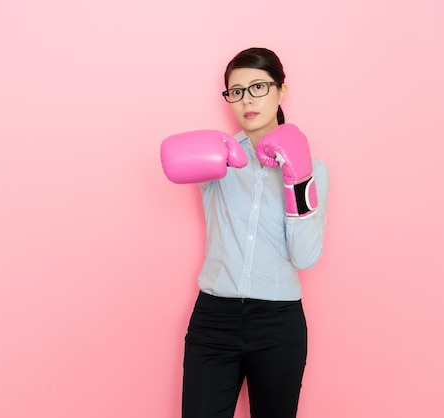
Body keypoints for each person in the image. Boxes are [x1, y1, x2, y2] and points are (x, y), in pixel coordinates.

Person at [160, 47, 329, 418]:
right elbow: (172, 157)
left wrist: (296, 178)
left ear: (281, 91)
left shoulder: (313, 167)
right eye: (236, 91)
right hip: (214, 318)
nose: (246, 100)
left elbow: (305, 257)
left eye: (258, 87)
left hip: (279, 322)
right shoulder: (215, 158)